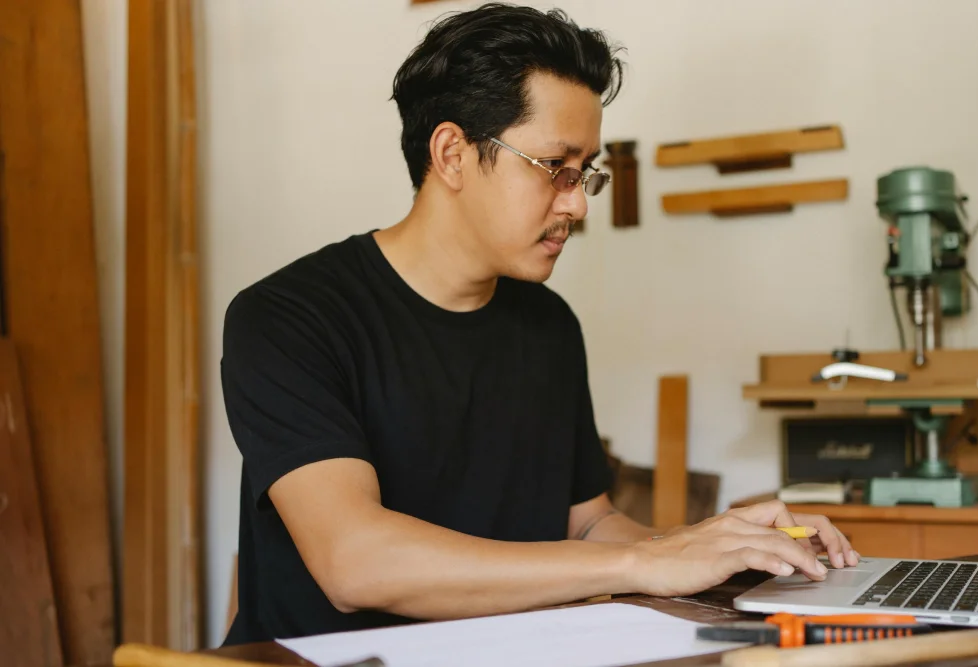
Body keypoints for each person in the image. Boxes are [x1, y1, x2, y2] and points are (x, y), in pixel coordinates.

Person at [219, 2, 859, 645]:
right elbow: (356, 563)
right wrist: (647, 562)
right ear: (452, 154)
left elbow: (588, 524)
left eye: (585, 174)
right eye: (556, 168)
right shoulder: (288, 318)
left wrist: (722, 544)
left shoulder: (547, 324)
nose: (578, 204)